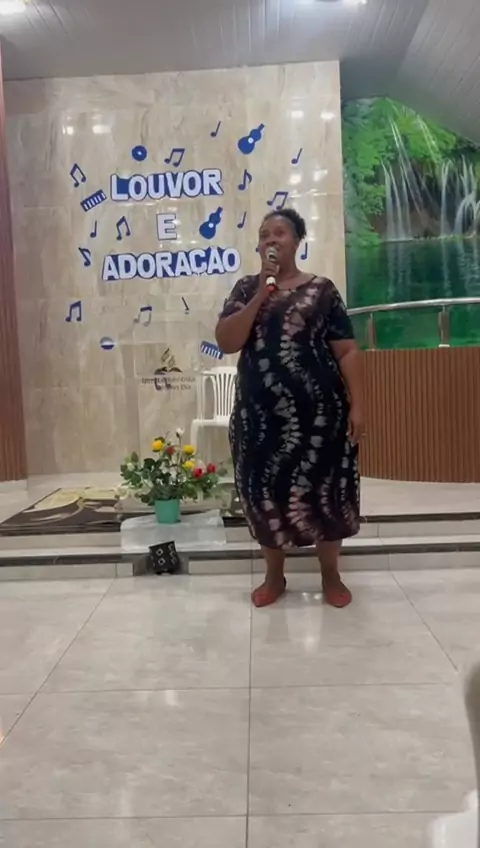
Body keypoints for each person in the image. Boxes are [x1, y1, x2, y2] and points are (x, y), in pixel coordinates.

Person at [215, 208, 363, 608]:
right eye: (264, 234)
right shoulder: (246, 289)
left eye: (279, 233)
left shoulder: (322, 290)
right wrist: (261, 295)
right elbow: (227, 341)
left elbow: (347, 351)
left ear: (297, 241)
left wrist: (359, 406)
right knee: (264, 496)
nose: (271, 239)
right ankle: (274, 576)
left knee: (326, 494)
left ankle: (330, 575)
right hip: (260, 420)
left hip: (321, 418)